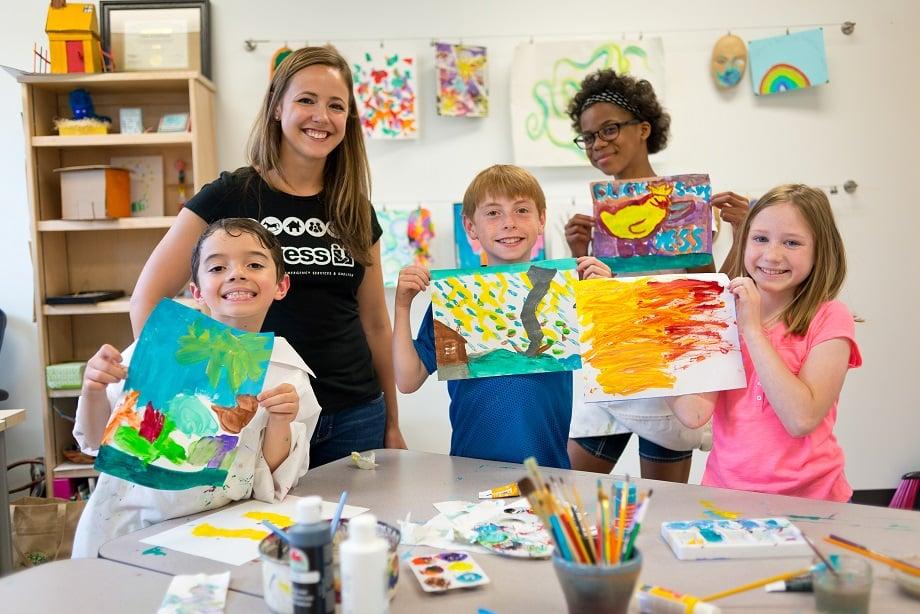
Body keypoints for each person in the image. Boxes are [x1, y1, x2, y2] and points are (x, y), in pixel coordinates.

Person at [129, 46, 406, 468]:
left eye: (336, 105)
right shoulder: (229, 195)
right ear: (277, 107)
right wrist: (193, 393)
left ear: (348, 120)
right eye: (306, 100)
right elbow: (147, 300)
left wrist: (392, 422)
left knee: (351, 531)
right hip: (258, 412)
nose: (321, 116)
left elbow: (374, 323)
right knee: (259, 533)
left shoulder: (354, 206)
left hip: (355, 414)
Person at [72, 218, 322, 556]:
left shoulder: (288, 373)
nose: (237, 273)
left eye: (255, 264)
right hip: (129, 530)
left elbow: (277, 479)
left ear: (281, 285)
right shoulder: (159, 348)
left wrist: (280, 421)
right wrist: (92, 390)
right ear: (196, 291)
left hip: (221, 531)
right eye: (218, 266)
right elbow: (93, 441)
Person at [564, 69, 751, 481]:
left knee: (665, 503)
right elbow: (582, 306)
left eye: (609, 129)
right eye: (589, 137)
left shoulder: (686, 204)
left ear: (643, 128)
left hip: (671, 373)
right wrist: (578, 254)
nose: (598, 144)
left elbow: (711, 294)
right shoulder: (584, 206)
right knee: (571, 492)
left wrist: (740, 233)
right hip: (613, 368)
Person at [392, 165, 611, 468]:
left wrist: (608, 299)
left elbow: (613, 367)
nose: (509, 223)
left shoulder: (566, 292)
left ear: (541, 220)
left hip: (548, 471)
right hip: (469, 472)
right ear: (470, 227)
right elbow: (408, 379)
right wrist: (402, 308)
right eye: (493, 213)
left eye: (522, 210)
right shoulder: (456, 297)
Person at [666, 184, 861, 501]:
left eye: (792, 243)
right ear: (744, 242)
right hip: (726, 496)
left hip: (814, 500)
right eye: (760, 239)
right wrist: (655, 350)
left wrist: (753, 330)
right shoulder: (720, 313)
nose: (772, 255)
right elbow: (693, 413)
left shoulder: (831, 317)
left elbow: (801, 419)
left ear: (820, 250)